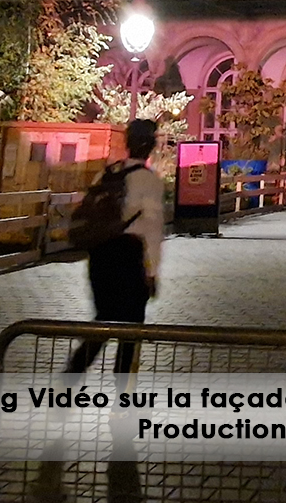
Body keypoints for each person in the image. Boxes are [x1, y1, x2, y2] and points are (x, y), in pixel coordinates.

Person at [66, 119, 169, 376]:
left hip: (100, 254)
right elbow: (153, 232)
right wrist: (152, 272)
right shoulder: (149, 181)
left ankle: (71, 376)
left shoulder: (108, 173)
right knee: (131, 329)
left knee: (104, 319)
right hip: (129, 256)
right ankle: (124, 396)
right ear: (151, 146)